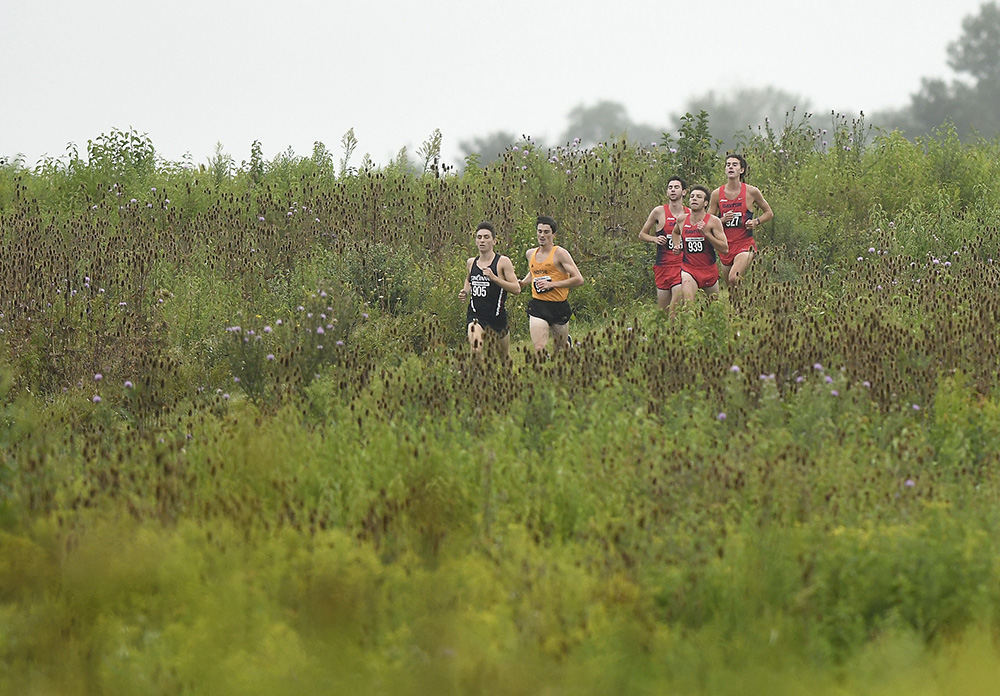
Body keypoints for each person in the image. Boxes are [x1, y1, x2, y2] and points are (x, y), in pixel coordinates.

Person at [518, 216, 584, 353]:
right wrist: (523, 282)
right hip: (538, 305)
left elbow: (578, 279)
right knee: (539, 348)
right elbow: (534, 272)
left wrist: (553, 284)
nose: (542, 235)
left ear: (553, 234)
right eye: (539, 231)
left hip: (558, 306)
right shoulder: (530, 253)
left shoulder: (560, 253)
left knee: (560, 349)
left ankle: (566, 344)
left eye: (546, 232)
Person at [708, 153, 774, 289]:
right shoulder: (716, 194)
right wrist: (722, 220)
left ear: (741, 170)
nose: (730, 167)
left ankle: (744, 303)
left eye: (734, 164)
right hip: (725, 246)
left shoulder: (751, 191)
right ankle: (739, 308)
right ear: (725, 169)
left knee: (734, 277)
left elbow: (769, 213)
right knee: (732, 287)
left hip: (745, 244)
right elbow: (708, 222)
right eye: (728, 165)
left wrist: (756, 221)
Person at [458, 221, 521, 358]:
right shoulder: (471, 262)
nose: (482, 240)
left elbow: (516, 289)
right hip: (476, 315)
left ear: (494, 241)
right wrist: (465, 291)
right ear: (475, 241)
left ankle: (507, 378)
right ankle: (476, 378)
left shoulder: (503, 262)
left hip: (497, 317)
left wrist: (495, 278)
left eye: (486, 237)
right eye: (479, 237)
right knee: (476, 349)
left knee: (503, 357)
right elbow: (469, 279)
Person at [637, 176, 689, 313]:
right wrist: (654, 239)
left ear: (684, 192)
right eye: (670, 187)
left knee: (675, 306)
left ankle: (677, 331)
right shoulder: (659, 211)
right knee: (663, 311)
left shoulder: (690, 213)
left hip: (682, 265)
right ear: (667, 192)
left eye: (676, 187)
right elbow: (642, 234)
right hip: (663, 266)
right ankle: (667, 333)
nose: (673, 190)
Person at [671, 186, 729, 301]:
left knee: (713, 308)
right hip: (689, 269)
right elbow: (675, 232)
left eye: (698, 197)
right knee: (688, 304)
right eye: (692, 196)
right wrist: (677, 245)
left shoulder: (713, 221)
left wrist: (707, 234)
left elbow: (725, 249)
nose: (694, 199)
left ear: (705, 203)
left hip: (709, 270)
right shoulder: (682, 220)